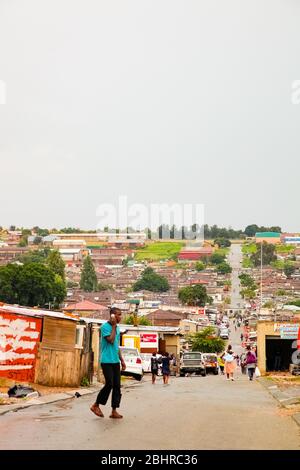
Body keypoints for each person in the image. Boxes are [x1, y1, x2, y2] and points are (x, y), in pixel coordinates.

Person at [90, 308, 126, 419]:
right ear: (113, 316)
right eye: (119, 315)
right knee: (109, 383)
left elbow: (116, 345)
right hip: (106, 361)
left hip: (115, 361)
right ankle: (96, 405)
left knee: (117, 386)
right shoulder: (105, 327)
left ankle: (114, 410)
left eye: (120, 315)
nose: (121, 317)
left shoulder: (118, 328)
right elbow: (110, 340)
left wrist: (122, 360)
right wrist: (114, 326)